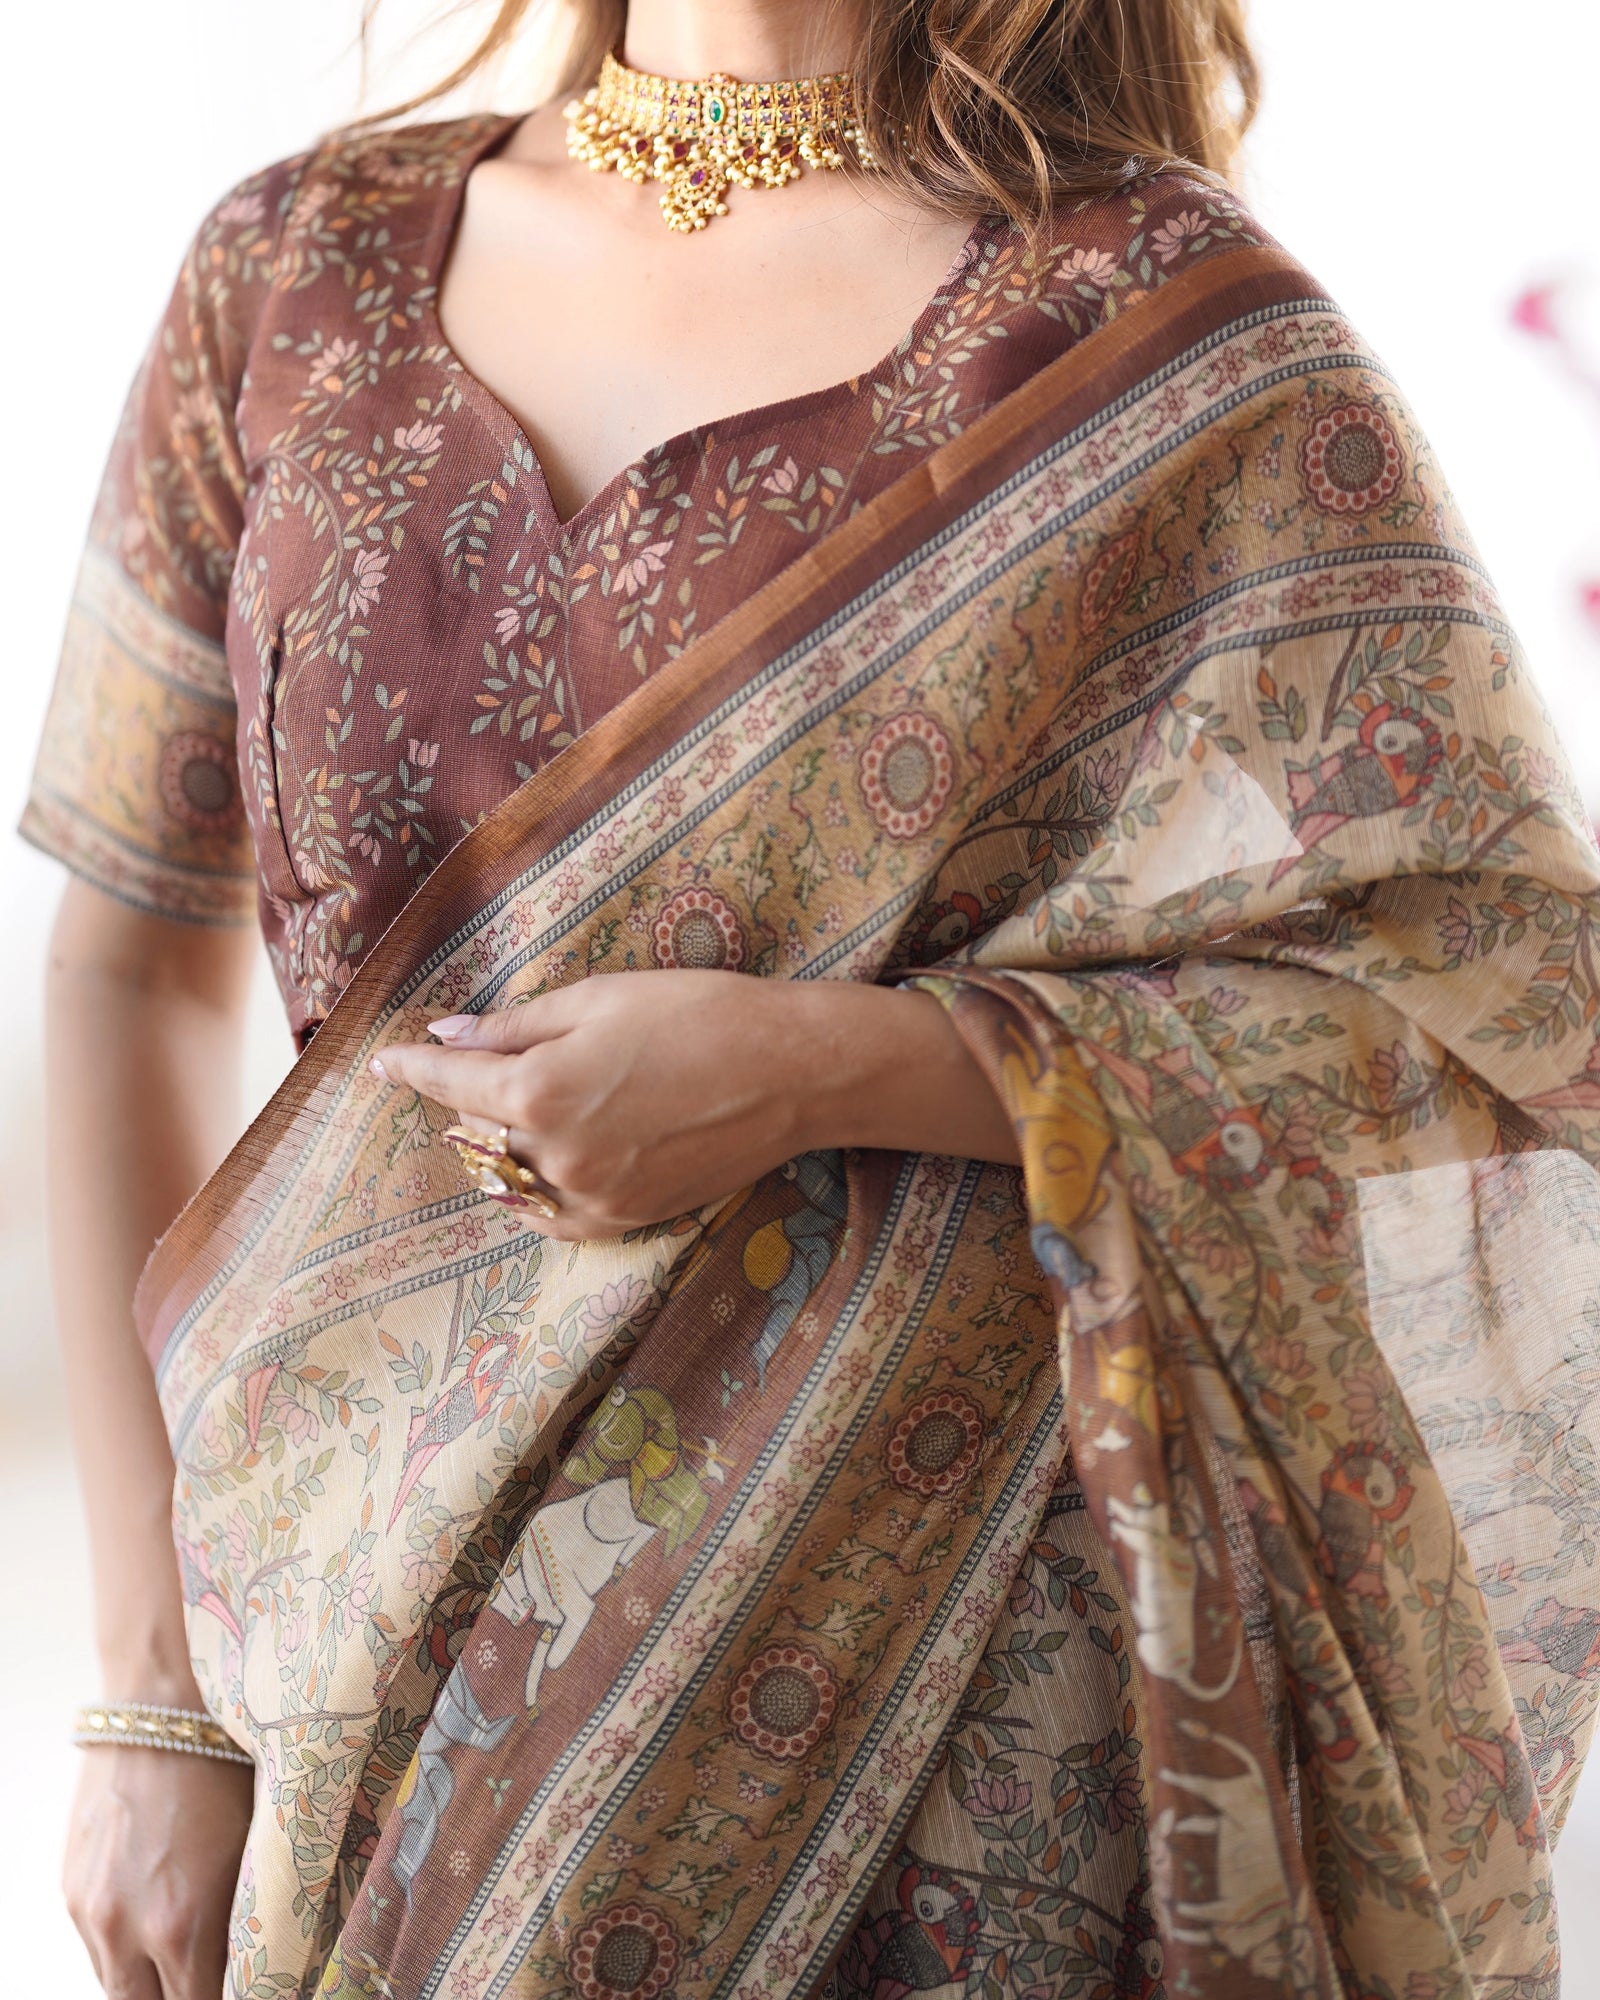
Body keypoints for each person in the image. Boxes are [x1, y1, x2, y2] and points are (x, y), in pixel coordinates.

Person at [25, 1, 1600, 1995]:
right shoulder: (293, 271)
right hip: (342, 1645)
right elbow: (117, 959)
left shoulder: (1159, 327)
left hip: (942, 1678)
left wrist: (826, 1068)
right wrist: (147, 1690)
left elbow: (1499, 996)